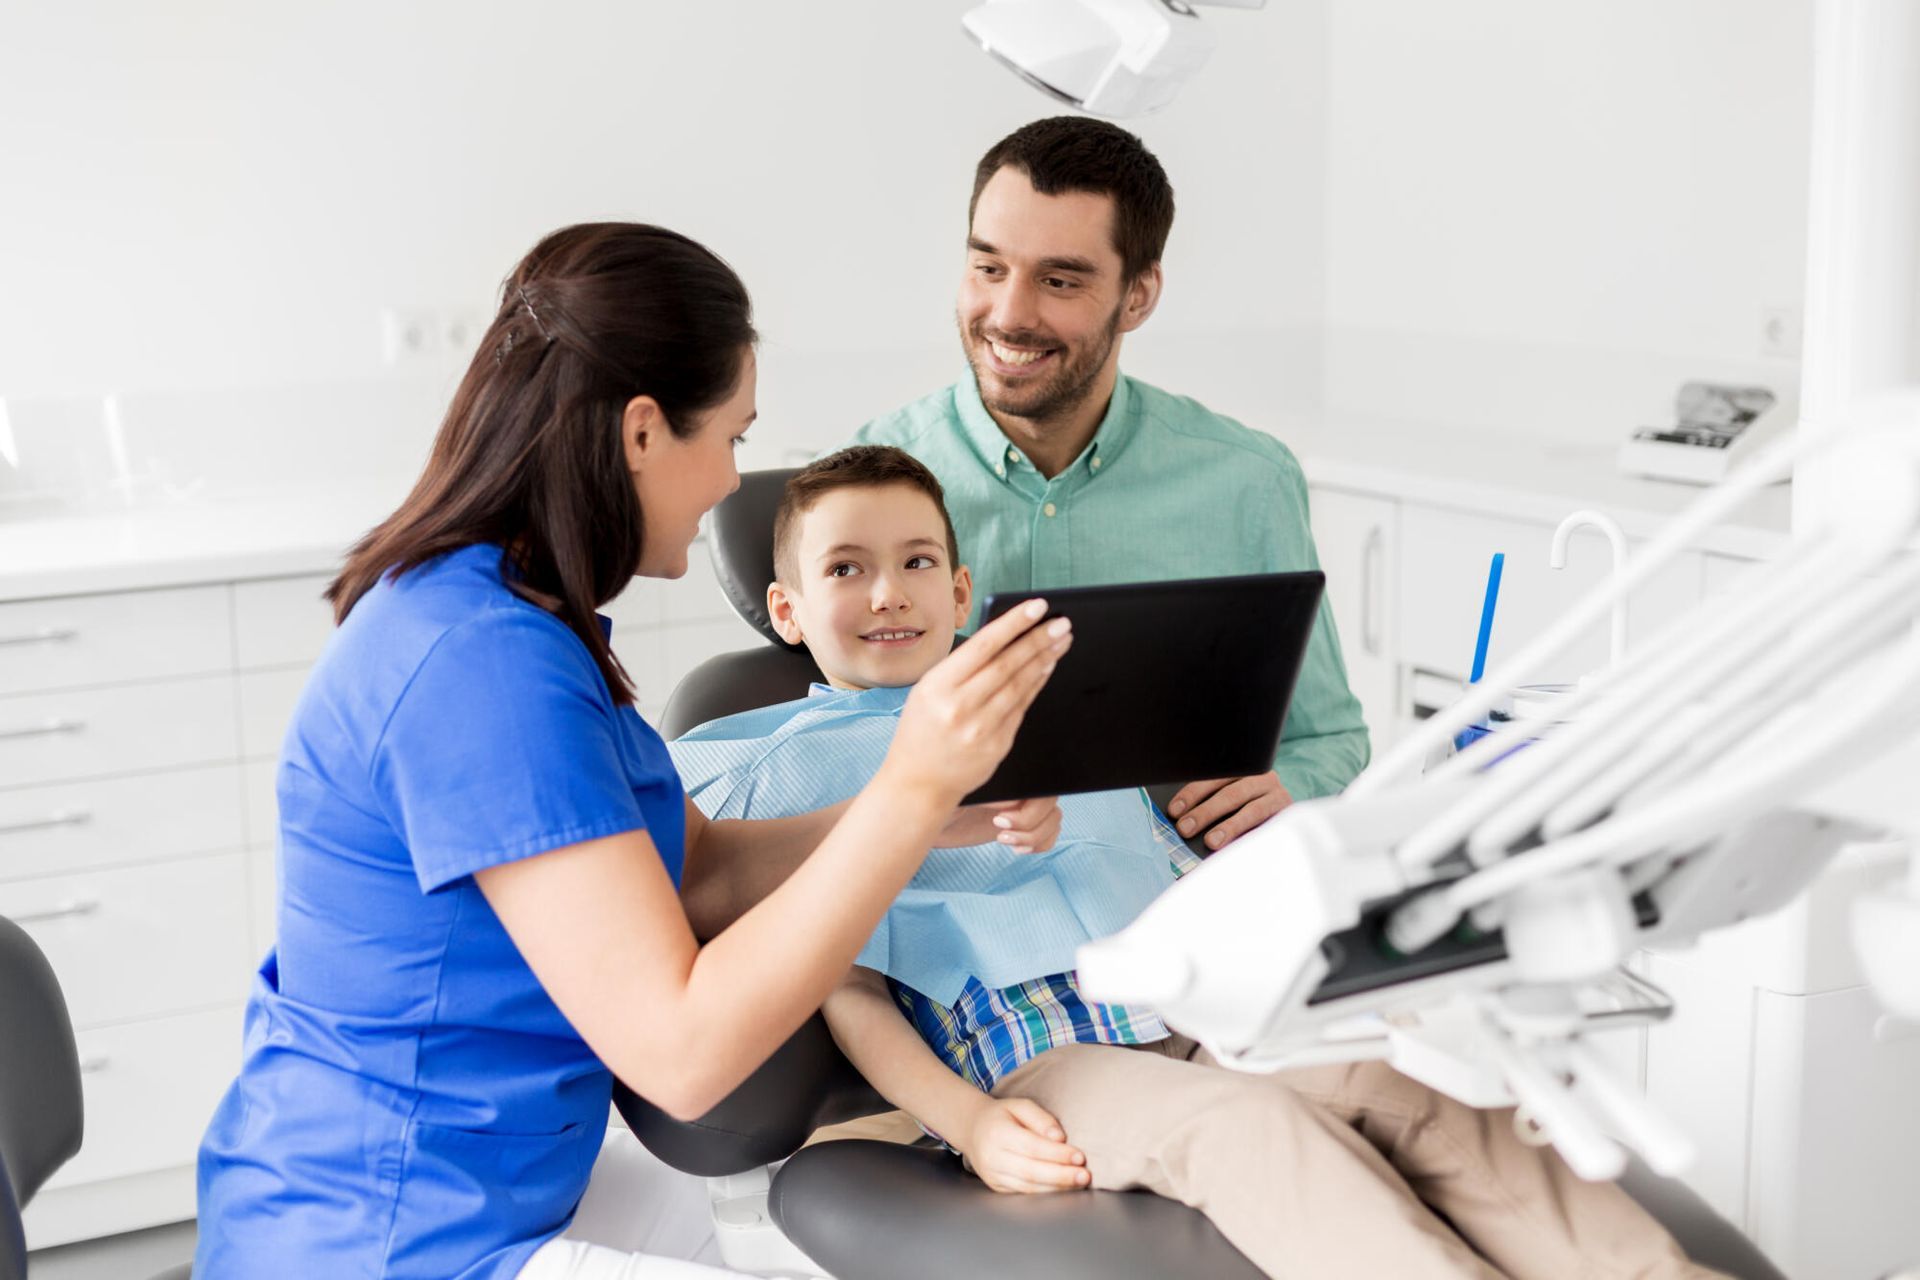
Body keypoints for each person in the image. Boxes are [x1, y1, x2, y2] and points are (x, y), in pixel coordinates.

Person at [191, 224, 1071, 1280]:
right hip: (387, 1231)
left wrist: (937, 806)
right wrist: (910, 782)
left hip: (508, 1176)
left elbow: (701, 871)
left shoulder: (530, 617)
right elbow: (685, 1054)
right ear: (645, 431)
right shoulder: (481, 667)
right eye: (733, 438)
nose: (728, 485)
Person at [671, 445, 1728, 1280]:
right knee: (1248, 1129)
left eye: (913, 564)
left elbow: (1181, 861)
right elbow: (843, 988)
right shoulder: (786, 767)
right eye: (846, 568)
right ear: (787, 610)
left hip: (1210, 1006)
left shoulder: (1051, 698)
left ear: (960, 592)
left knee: (1406, 1084)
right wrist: (974, 1124)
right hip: (1046, 1060)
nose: (888, 593)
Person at [850, 115, 1369, 850]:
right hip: (943, 903)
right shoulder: (873, 471)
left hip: (1170, 896)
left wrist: (1293, 785)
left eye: (1059, 280)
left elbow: (1331, 739)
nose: (1008, 314)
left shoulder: (1247, 480)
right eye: (988, 268)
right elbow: (825, 732)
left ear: (1138, 295)